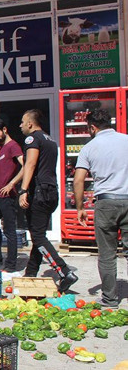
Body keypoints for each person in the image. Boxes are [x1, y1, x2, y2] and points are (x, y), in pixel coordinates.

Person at [19, 109, 78, 290]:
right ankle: (30, 273)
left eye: (22, 122)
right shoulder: (50, 139)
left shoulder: (33, 139)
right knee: (39, 235)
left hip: (39, 192)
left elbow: (30, 163)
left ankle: (64, 271)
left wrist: (23, 190)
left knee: (37, 235)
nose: (20, 125)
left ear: (30, 123)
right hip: (51, 192)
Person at [74, 108, 126, 307]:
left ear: (92, 127)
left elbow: (78, 180)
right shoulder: (126, 140)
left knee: (107, 254)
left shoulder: (89, 147)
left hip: (106, 203)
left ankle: (110, 299)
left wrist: (80, 207)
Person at [0, 119, 24, 272]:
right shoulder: (1, 148)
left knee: (9, 230)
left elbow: (25, 165)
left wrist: (12, 184)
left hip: (8, 196)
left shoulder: (13, 146)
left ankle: (10, 265)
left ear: (5, 129)